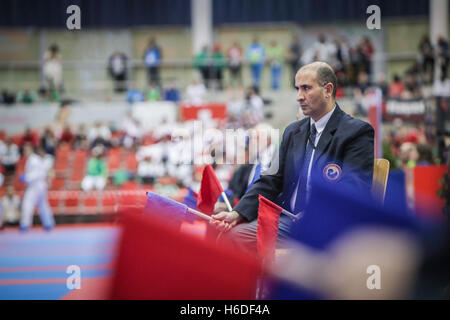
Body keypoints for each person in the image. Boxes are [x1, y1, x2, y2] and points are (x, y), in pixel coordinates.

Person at [210, 61, 374, 253]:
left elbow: (354, 188)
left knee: (237, 237)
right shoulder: (293, 131)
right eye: (298, 89)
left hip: (328, 225)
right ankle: (259, 283)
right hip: (287, 220)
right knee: (230, 233)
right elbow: (270, 180)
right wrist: (239, 212)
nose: (299, 97)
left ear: (328, 90)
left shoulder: (356, 132)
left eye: (306, 88)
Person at [20, 144, 55, 231]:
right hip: (40, 185)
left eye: (26, 150)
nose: (25, 152)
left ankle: (25, 224)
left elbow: (38, 173)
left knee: (27, 203)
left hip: (35, 185)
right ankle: (48, 223)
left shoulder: (34, 160)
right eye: (24, 150)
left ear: (31, 150)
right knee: (43, 205)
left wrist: (26, 177)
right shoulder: (34, 159)